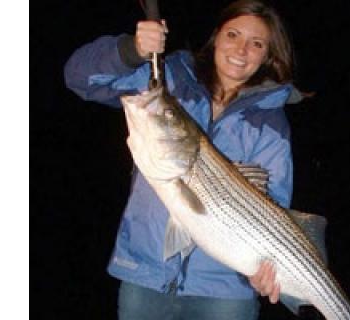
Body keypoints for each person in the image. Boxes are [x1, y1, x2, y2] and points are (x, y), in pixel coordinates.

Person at [64, 0, 303, 319]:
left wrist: (269, 274)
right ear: (216, 37)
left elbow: (273, 205)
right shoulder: (171, 79)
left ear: (268, 55)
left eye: (256, 43)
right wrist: (131, 51)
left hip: (224, 295)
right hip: (145, 274)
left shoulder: (271, 124)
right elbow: (79, 77)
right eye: (233, 34)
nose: (241, 49)